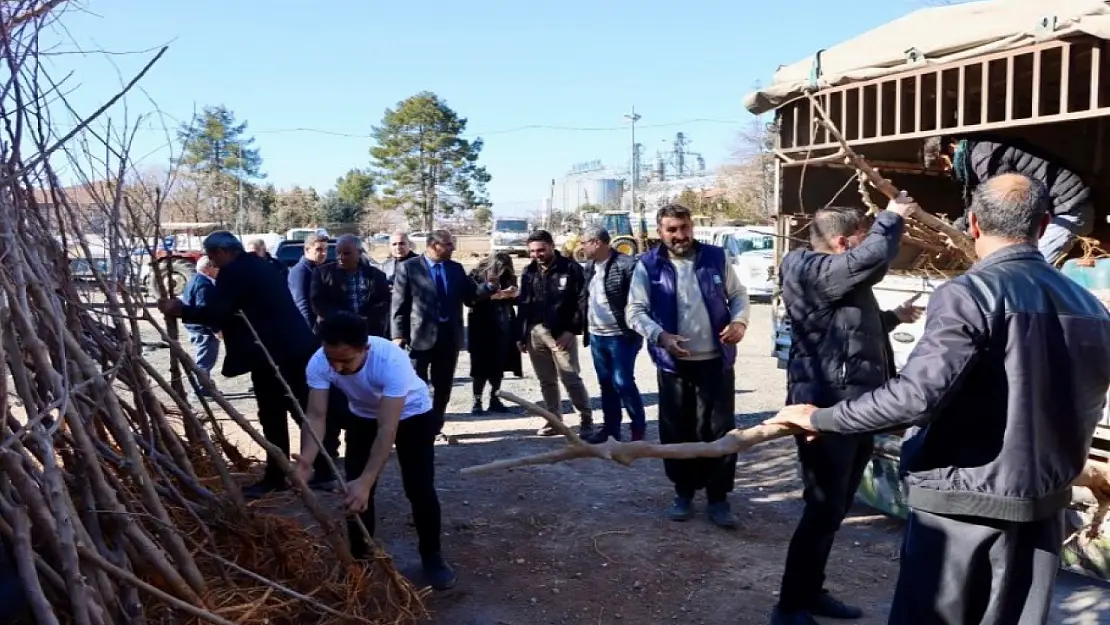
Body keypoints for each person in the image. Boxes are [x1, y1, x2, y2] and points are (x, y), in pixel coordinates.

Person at [769, 174, 1110, 625]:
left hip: (961, 507)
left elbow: (916, 397)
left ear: (971, 223)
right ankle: (800, 597)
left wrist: (822, 418)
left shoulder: (970, 293)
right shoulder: (1090, 306)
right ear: (1045, 225)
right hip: (1042, 505)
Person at [771, 198, 922, 625]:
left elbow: (840, 330)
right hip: (822, 408)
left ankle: (811, 591)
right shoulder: (811, 269)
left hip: (852, 409)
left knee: (834, 508)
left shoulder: (832, 278)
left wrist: (892, 317)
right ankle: (789, 606)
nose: (863, 250)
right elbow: (873, 256)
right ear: (842, 242)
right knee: (821, 508)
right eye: (858, 240)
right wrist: (892, 214)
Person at [158, 231, 332, 498]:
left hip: (272, 354)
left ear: (223, 252)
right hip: (295, 347)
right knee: (300, 409)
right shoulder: (261, 264)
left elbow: (217, 312)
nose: (213, 263)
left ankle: (278, 476)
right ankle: (322, 468)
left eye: (213, 256)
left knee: (273, 414)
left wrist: (181, 310)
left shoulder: (234, 271)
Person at [296, 312, 456, 590]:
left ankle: (432, 557)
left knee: (419, 488)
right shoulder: (320, 361)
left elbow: (387, 429)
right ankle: (360, 558)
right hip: (362, 417)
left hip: (412, 415)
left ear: (365, 349)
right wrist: (305, 463)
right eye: (331, 358)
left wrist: (367, 482)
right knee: (354, 490)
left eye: (346, 360)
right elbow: (316, 415)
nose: (337, 367)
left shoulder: (391, 360)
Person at [627, 204, 750, 529]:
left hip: (716, 365)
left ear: (691, 226)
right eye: (672, 229)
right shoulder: (648, 265)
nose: (680, 235)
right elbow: (635, 311)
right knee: (677, 431)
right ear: (660, 232)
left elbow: (738, 295)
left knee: (719, 432)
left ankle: (718, 498)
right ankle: (683, 493)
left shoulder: (716, 257)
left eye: (684, 227)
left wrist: (739, 322)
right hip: (674, 368)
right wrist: (660, 335)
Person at [391, 230, 503, 440]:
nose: (453, 248)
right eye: (449, 245)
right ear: (434, 246)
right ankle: (415, 427)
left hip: (448, 337)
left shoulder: (456, 269)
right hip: (418, 338)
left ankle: (435, 426)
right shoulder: (410, 267)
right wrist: (399, 334)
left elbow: (470, 297)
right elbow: (399, 304)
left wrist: (489, 287)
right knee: (416, 385)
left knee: (443, 386)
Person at [922, 134, 1093, 263]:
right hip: (1056, 210)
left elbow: (998, 205)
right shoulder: (977, 156)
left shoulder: (983, 158)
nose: (945, 170)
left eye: (942, 164)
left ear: (951, 148)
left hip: (1070, 210)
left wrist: (964, 232)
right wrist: (958, 227)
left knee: (1029, 267)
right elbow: (981, 199)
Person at [516, 229, 593, 437]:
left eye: (541, 250)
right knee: (546, 381)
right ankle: (553, 420)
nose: (537, 254)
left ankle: (586, 420)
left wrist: (572, 330)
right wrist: (520, 335)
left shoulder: (570, 268)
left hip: (561, 334)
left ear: (551, 245)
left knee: (570, 378)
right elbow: (523, 304)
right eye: (532, 251)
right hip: (534, 333)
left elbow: (582, 301)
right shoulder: (528, 272)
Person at [578, 226, 646, 444]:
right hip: (597, 336)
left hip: (622, 336)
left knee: (623, 382)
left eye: (584, 242)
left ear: (597, 243)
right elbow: (585, 298)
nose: (581, 247)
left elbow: (640, 301)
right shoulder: (589, 266)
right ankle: (611, 431)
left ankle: (638, 432)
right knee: (606, 384)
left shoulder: (627, 265)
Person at [467, 252, 521, 414]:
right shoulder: (476, 275)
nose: (502, 272)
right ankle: (477, 401)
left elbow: (516, 299)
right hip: (481, 325)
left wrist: (513, 294)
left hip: (503, 324)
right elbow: (470, 299)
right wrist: (493, 294)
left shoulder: (508, 276)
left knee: (499, 363)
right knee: (479, 365)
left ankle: (494, 398)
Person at [311, 234, 391, 337]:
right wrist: (346, 319)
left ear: (359, 253)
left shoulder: (376, 275)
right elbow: (317, 303)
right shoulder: (322, 273)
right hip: (334, 332)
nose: (341, 257)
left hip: (367, 332)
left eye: (346, 253)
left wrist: (366, 318)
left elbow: (384, 302)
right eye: (338, 253)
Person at [181, 255, 221, 399]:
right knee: (205, 360)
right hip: (203, 330)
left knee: (205, 359)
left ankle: (205, 385)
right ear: (208, 268)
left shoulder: (196, 280)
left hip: (196, 327)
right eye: (217, 267)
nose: (219, 270)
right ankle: (200, 390)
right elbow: (205, 311)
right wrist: (215, 329)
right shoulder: (204, 285)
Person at [288, 233, 330, 330]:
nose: (324, 253)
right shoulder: (300, 271)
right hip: (310, 329)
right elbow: (302, 305)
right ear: (307, 249)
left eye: (325, 249)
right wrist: (310, 333)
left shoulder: (320, 269)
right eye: (319, 249)